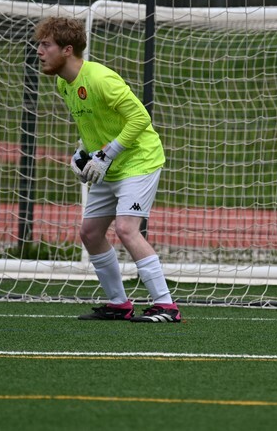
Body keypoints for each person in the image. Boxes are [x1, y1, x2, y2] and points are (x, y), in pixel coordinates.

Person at [34, 17, 181, 323]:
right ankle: (119, 304)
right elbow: (92, 124)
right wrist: (82, 152)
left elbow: (140, 119)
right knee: (90, 233)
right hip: (109, 166)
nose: (39, 51)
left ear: (67, 50)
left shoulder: (101, 79)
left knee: (126, 228)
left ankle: (166, 306)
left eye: (46, 45)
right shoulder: (63, 83)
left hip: (139, 160)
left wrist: (107, 154)